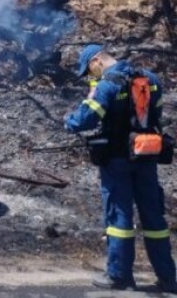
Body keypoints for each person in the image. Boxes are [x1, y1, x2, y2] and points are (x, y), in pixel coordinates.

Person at [65, 44, 177, 292]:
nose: (91, 76)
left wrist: (68, 121)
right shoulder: (150, 79)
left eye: (89, 71)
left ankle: (119, 275)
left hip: (117, 160)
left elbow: (84, 120)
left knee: (119, 217)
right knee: (154, 218)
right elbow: (156, 116)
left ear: (97, 61)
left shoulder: (108, 85)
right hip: (146, 155)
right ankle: (168, 277)